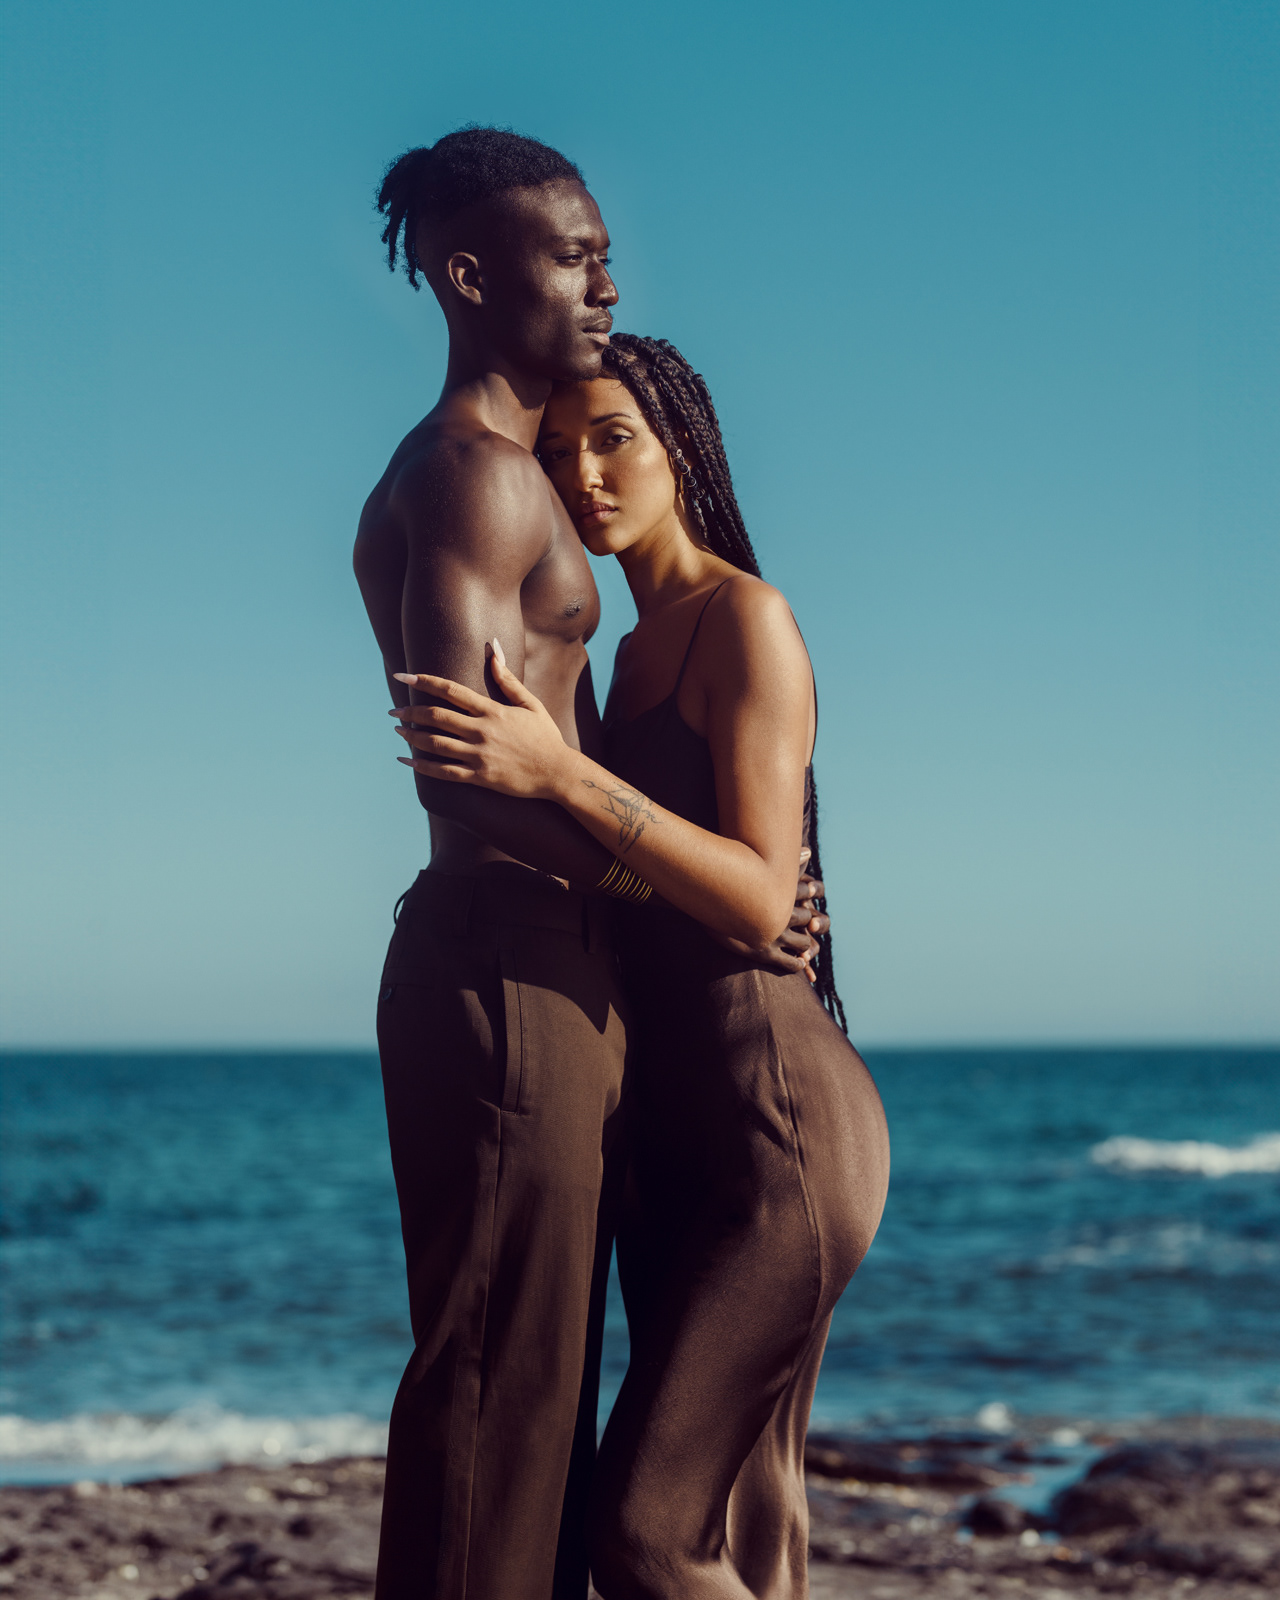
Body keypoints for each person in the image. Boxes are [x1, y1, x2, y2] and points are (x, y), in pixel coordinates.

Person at [355, 131, 825, 1600]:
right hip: (507, 963)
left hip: (559, 974)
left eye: (607, 253)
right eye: (572, 257)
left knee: (543, 1419)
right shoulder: (479, 482)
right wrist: (669, 885)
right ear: (469, 274)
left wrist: (711, 892)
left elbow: (563, 768)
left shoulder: (528, 486)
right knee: (497, 1403)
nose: (605, 283)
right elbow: (478, 776)